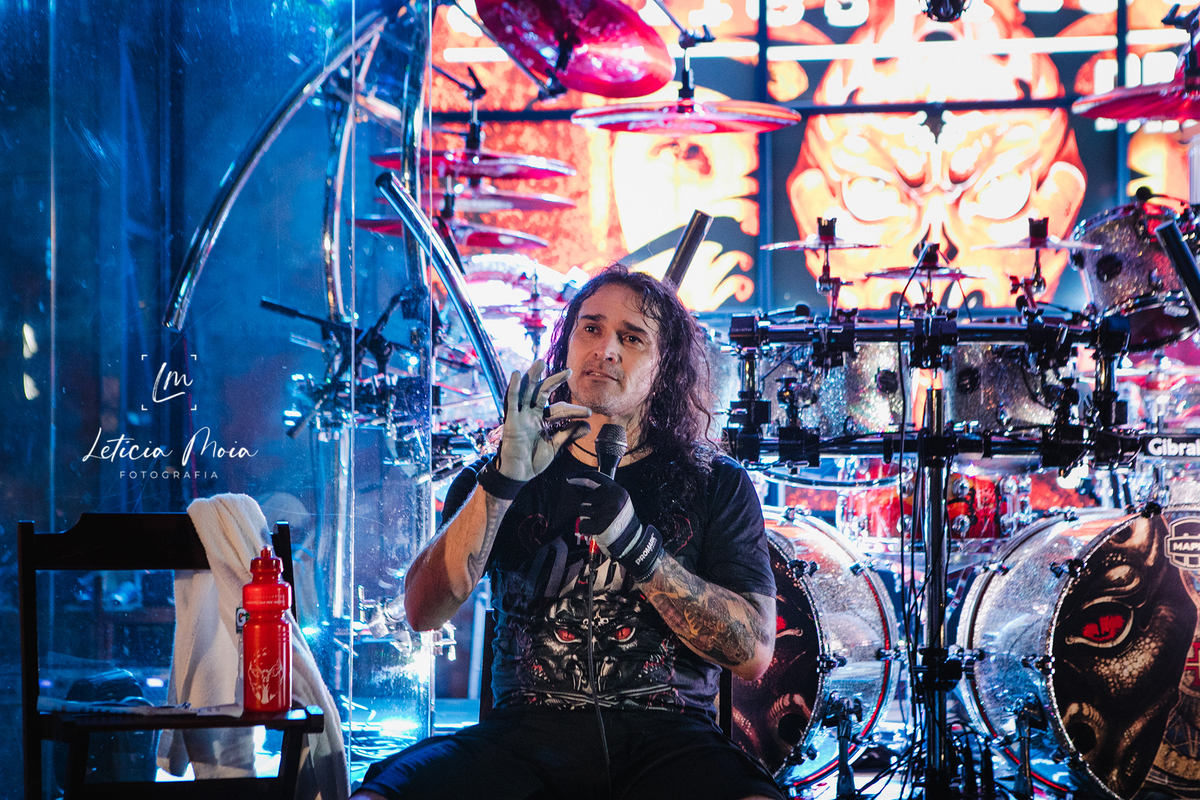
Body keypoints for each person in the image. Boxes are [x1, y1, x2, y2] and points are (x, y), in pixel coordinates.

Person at [353, 265, 781, 800]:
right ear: (568, 341)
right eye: (591, 328)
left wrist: (640, 549)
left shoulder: (715, 482)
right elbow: (421, 611)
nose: (606, 350)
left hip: (669, 743)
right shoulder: (503, 470)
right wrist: (502, 480)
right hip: (519, 743)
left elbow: (753, 652)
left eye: (631, 338)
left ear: (664, 366)